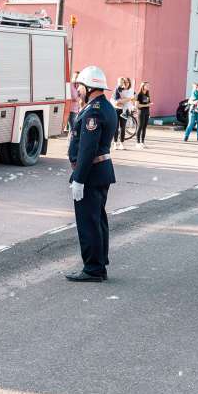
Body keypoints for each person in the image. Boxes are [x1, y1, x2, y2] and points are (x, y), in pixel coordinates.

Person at [65, 65, 117, 283]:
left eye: (80, 86)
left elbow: (87, 148)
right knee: (97, 220)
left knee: (88, 222)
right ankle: (99, 264)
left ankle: (93, 268)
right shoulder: (104, 106)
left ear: (89, 87)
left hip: (91, 173)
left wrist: (78, 179)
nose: (78, 90)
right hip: (99, 172)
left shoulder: (93, 111)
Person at [112, 77, 134, 150]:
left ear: (129, 83)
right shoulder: (118, 89)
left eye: (127, 82)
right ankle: (115, 143)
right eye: (125, 82)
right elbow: (116, 101)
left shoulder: (130, 90)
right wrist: (127, 99)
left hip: (125, 110)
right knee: (116, 127)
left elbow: (133, 98)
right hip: (117, 109)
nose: (126, 83)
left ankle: (122, 143)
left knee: (123, 127)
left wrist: (123, 101)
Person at [135, 80, 152, 148]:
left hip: (147, 112)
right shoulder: (139, 94)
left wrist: (149, 109)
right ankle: (137, 142)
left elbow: (148, 104)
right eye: (147, 85)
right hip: (141, 112)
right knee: (140, 127)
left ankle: (142, 142)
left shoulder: (147, 94)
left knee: (144, 128)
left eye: (149, 85)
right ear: (143, 86)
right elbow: (137, 105)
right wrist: (147, 105)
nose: (148, 86)